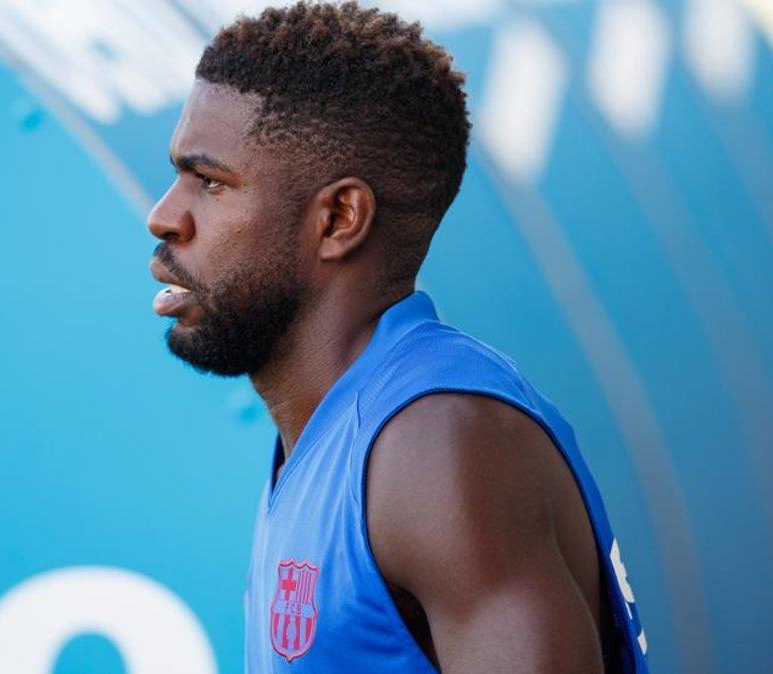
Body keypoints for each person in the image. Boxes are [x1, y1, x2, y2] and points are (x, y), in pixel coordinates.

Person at [146, 2, 648, 671]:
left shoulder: (435, 447)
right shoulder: (339, 432)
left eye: (209, 182)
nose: (164, 216)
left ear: (339, 219)